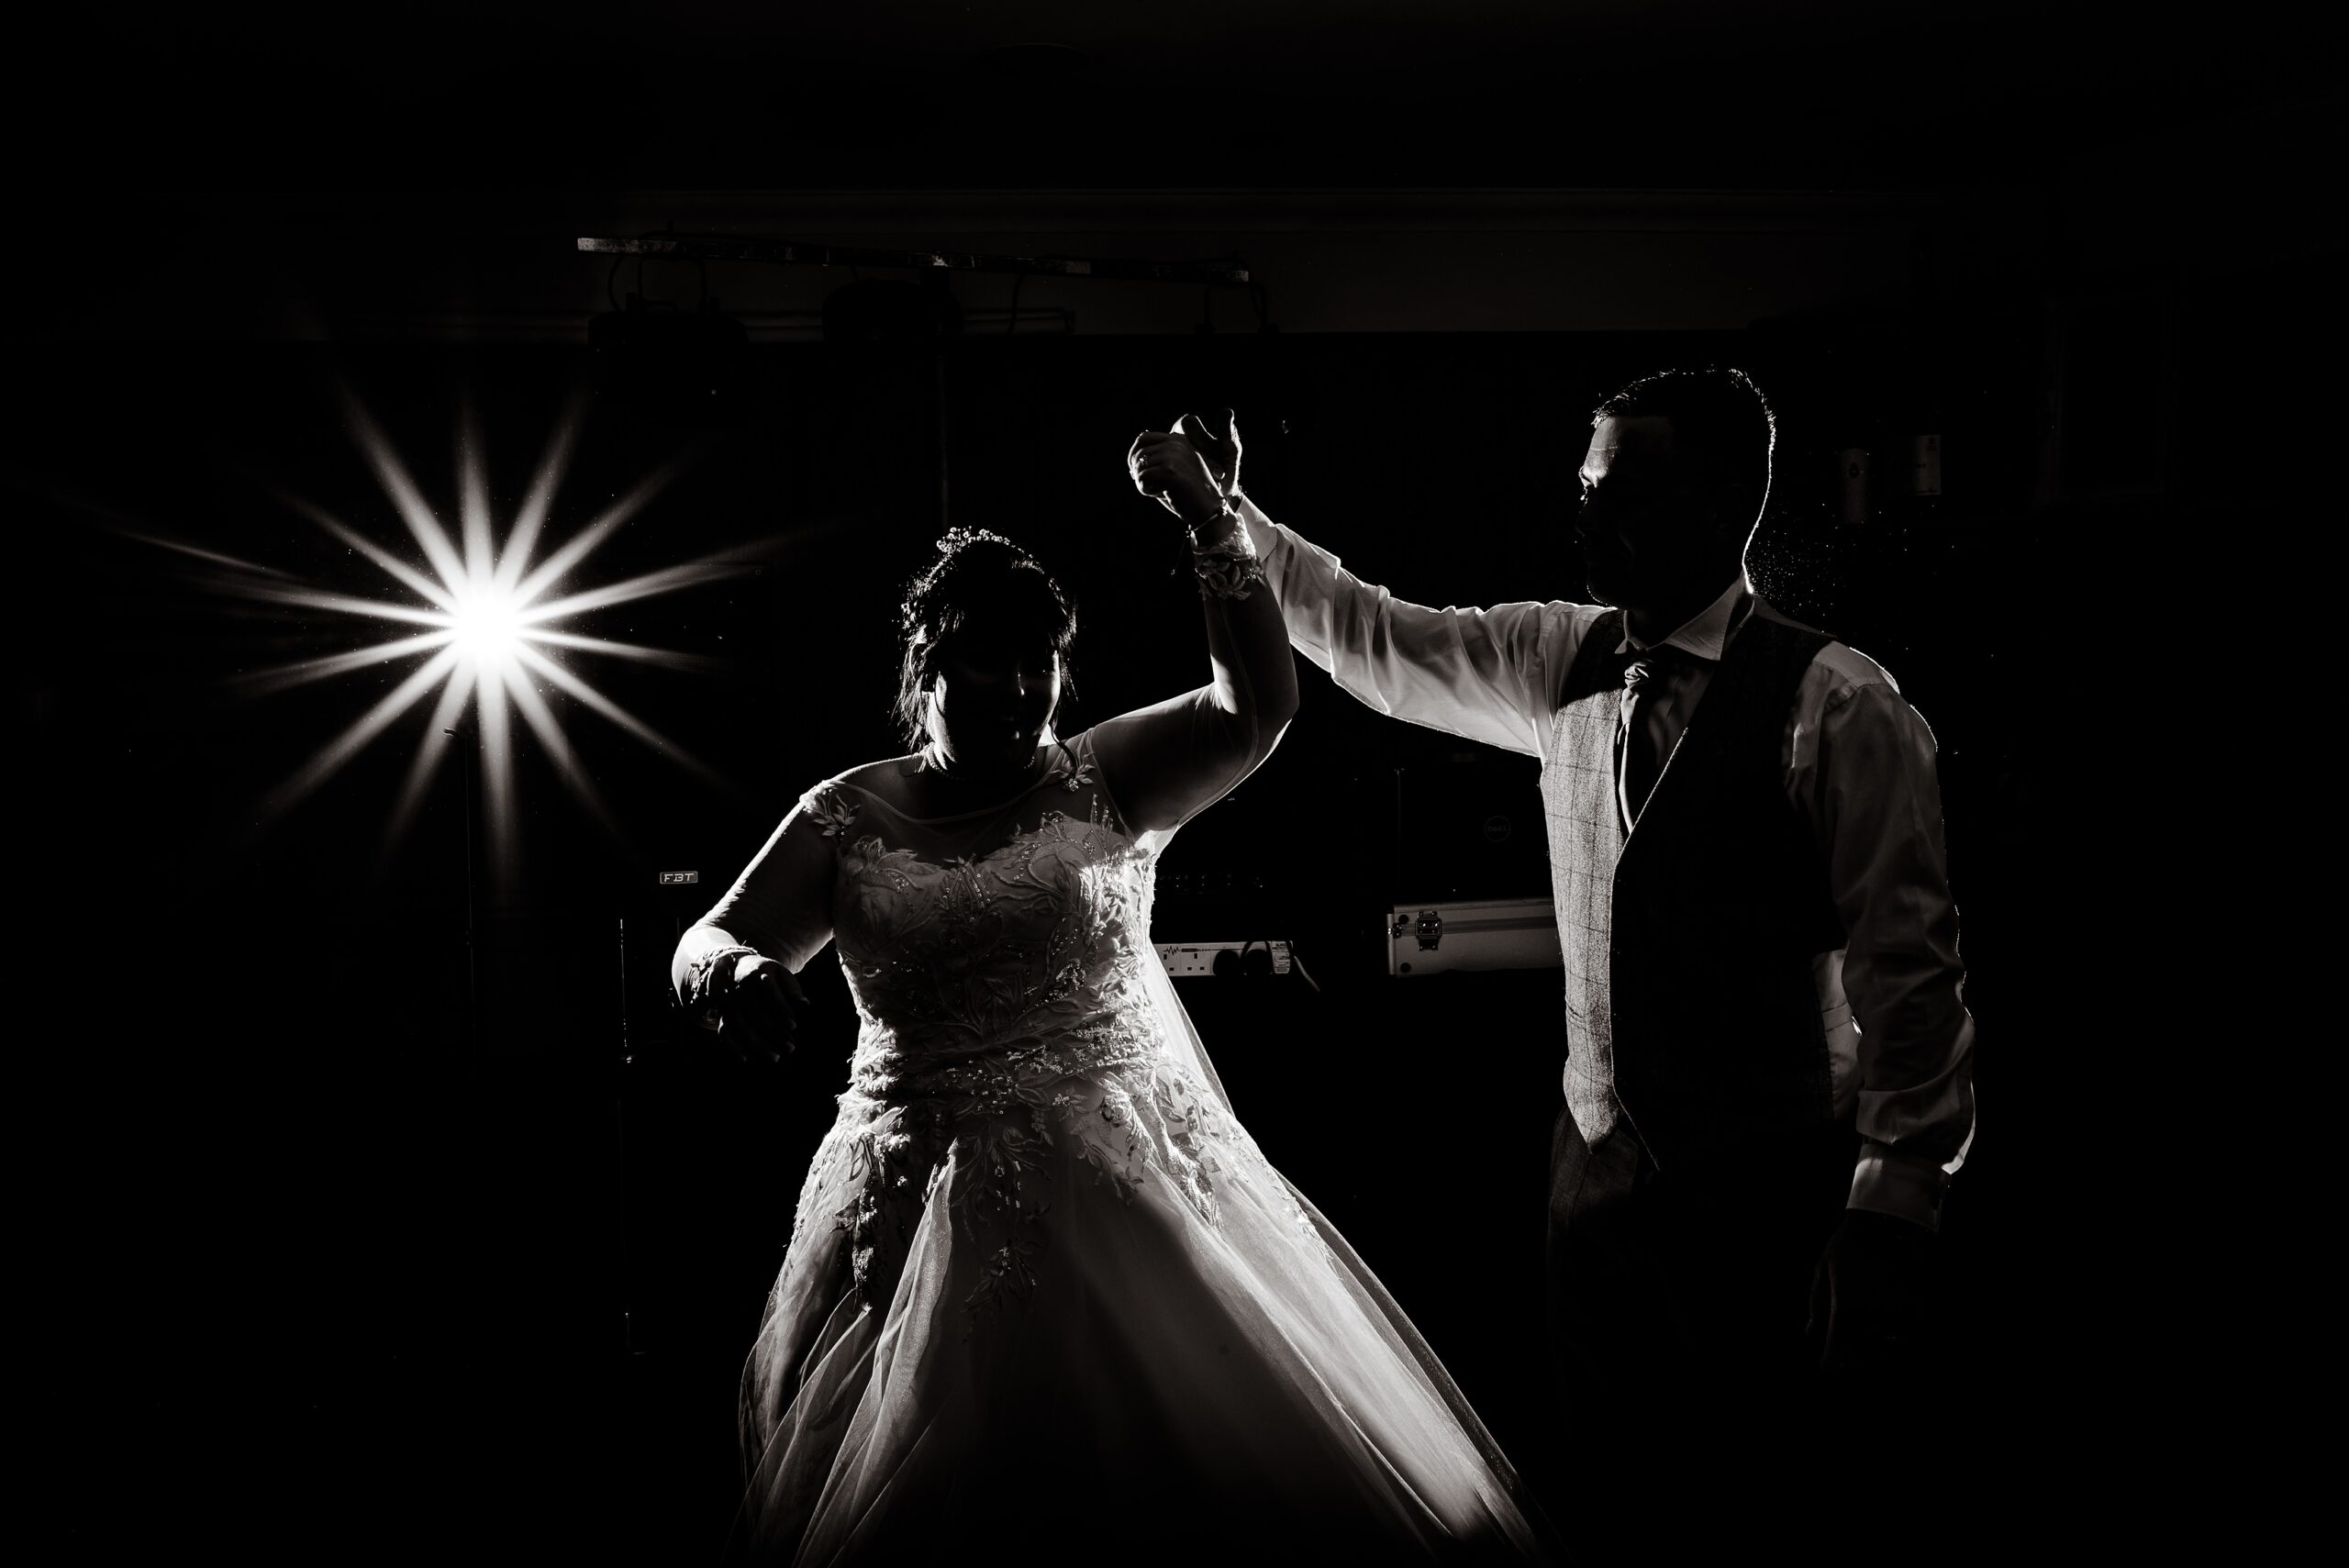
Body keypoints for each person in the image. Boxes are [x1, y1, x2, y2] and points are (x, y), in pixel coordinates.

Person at [672, 424, 1554, 1565]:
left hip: (1116, 1187)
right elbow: (716, 931)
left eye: (1042, 658)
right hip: (904, 1195)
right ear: (925, 669)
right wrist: (726, 972)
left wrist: (1209, 524)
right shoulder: (846, 813)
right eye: (991, 659)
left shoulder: (1102, 774)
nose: (1022, 686)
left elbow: (1255, 708)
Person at [1151, 373, 1976, 1556]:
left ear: (1727, 500)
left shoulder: (1841, 707)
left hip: (1771, 1204)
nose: (1588, 516)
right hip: (1588, 1202)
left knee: (1773, 1501)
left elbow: (1914, 982)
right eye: (1585, 488)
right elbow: (1375, 633)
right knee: (1610, 1503)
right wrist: (1225, 517)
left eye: (1625, 492)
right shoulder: (1556, 657)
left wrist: (1893, 1209)